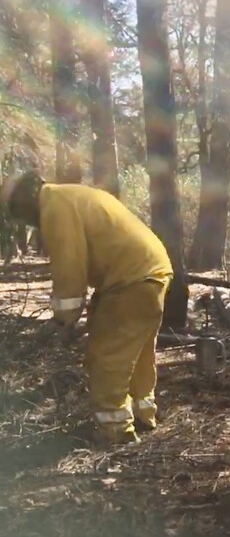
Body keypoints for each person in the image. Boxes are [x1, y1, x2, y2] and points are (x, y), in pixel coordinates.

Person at [0, 171, 173, 444]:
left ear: (24, 200)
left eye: (16, 211)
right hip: (151, 272)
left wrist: (64, 319)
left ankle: (115, 432)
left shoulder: (54, 206)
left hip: (130, 278)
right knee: (136, 352)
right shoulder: (69, 194)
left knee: (107, 356)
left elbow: (69, 266)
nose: (22, 220)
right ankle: (143, 414)